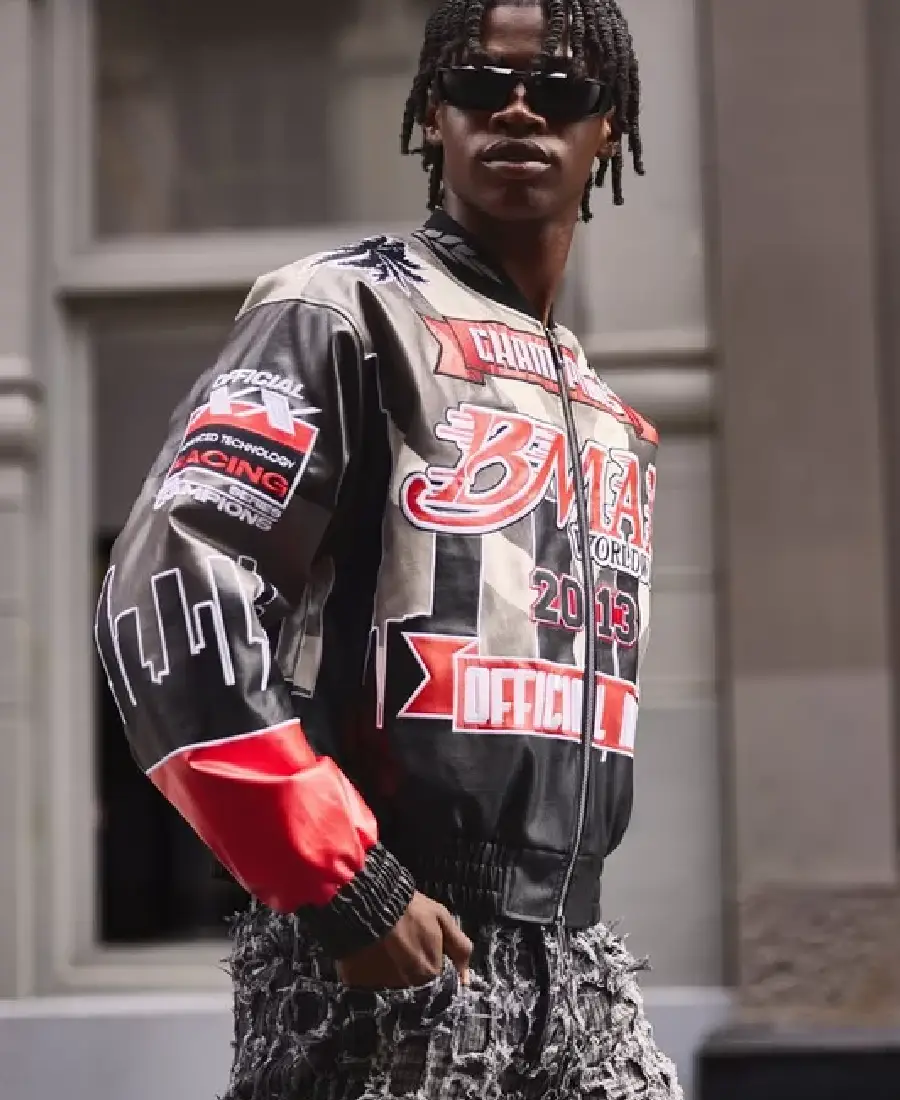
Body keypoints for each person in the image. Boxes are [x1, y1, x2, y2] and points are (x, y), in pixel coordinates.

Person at [95, 0, 682, 1096]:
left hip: (578, 958)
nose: (519, 110)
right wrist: (339, 883)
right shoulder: (338, 311)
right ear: (428, 115)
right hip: (383, 942)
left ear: (609, 126)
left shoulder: (597, 404)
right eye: (479, 83)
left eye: (560, 89)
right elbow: (171, 582)